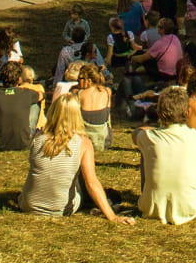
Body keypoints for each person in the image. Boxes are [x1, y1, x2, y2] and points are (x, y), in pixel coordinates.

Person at [20, 92, 131, 223]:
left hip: (28, 205)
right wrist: (112, 217)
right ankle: (106, 203)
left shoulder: (37, 137)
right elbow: (91, 182)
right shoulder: (83, 143)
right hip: (60, 208)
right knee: (83, 175)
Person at [134, 85, 196, 225]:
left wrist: (154, 129)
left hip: (150, 207)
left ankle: (149, 191)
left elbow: (136, 133)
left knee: (145, 148)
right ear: (187, 112)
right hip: (188, 207)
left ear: (159, 112)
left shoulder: (149, 137)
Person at [0, 62, 42, 152]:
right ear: (19, 79)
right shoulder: (27, 94)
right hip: (24, 143)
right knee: (35, 103)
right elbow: (41, 95)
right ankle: (29, 135)